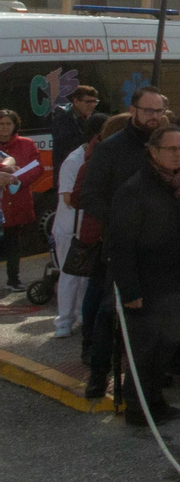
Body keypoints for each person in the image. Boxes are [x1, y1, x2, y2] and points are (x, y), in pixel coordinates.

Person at [107, 124, 180, 427]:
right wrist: (131, 290)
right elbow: (120, 246)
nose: (177, 155)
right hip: (146, 286)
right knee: (144, 350)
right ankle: (138, 407)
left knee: (166, 347)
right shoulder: (134, 190)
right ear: (153, 151)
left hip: (177, 283)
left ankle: (154, 399)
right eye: (170, 149)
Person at [77, 85, 167, 397]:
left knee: (153, 318)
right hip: (120, 246)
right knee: (108, 314)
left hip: (158, 249)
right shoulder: (110, 149)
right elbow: (89, 196)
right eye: (148, 110)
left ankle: (142, 382)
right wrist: (120, 224)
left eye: (158, 111)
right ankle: (98, 374)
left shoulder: (168, 146)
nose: (154, 117)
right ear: (133, 110)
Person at [50, 132, 90, 338]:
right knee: (70, 275)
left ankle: (81, 315)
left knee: (85, 276)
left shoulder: (92, 156)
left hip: (85, 226)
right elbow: (67, 198)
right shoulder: (73, 161)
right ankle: (63, 321)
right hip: (69, 228)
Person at [0, 109, 44, 290]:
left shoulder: (26, 144)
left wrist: (21, 179)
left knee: (13, 243)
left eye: (8, 124)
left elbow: (37, 167)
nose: (4, 128)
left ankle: (14, 279)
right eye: (1, 124)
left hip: (17, 199)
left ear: (15, 125)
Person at [47, 85, 101, 182]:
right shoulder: (61, 118)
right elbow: (67, 145)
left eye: (95, 102)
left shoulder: (96, 117)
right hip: (68, 171)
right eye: (88, 102)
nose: (92, 105)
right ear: (76, 101)